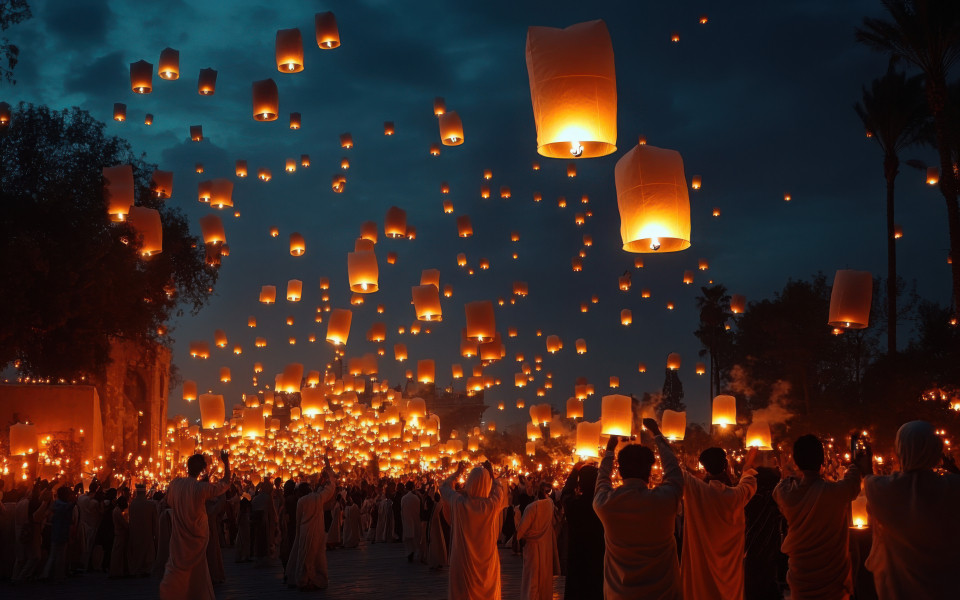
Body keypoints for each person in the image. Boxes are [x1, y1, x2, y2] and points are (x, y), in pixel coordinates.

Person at [864, 420, 960, 598]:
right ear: (935, 449)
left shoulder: (884, 490)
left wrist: (865, 463)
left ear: (900, 449)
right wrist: (953, 468)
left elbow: (868, 479)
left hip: (901, 590)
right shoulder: (952, 488)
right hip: (948, 588)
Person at [593, 419, 684, 600]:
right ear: (649, 472)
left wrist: (610, 450)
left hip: (620, 594)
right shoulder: (664, 500)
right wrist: (657, 433)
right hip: (663, 593)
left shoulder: (605, 504)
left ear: (619, 472)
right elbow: (674, 471)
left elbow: (602, 479)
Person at [774, 434, 866, 600]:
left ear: (795, 461)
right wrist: (856, 459)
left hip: (801, 578)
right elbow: (854, 479)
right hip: (834, 582)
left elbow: (784, 481)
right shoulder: (835, 492)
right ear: (822, 460)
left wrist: (793, 471)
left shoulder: (785, 493)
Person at [681, 446, 759, 599]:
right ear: (726, 465)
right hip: (730, 573)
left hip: (701, 571)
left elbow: (676, 471)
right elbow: (748, 481)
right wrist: (748, 464)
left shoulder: (696, 491)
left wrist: (658, 434)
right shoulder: (736, 495)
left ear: (704, 467)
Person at [159, 450, 231, 600]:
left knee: (177, 572)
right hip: (197, 537)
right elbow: (224, 484)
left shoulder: (175, 484)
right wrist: (226, 462)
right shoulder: (200, 488)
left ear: (187, 466)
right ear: (202, 469)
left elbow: (169, 501)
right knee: (197, 574)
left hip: (179, 538)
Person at [440, 460, 508, 600]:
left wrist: (457, 474)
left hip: (463, 561)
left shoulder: (459, 503)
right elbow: (499, 490)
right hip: (487, 560)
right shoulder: (492, 505)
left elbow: (444, 487)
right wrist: (491, 474)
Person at [285, 454, 337, 590]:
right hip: (317, 531)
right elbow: (329, 489)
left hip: (304, 531)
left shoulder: (301, 501)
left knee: (305, 555)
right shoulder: (317, 498)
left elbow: (297, 520)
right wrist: (328, 470)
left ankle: (304, 579)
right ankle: (315, 579)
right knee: (317, 556)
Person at [560, 462, 604, 600]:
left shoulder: (574, 505)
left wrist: (574, 471)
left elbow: (566, 493)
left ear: (580, 484)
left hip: (577, 558)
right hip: (598, 559)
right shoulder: (604, 507)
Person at [743, 466, 785, 599]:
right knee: (770, 581)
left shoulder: (750, 499)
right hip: (771, 546)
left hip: (753, 547)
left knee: (754, 585)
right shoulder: (777, 499)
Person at [515, 480, 560, 600]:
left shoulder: (532, 507)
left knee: (532, 578)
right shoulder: (550, 504)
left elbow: (521, 529)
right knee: (544, 576)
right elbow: (555, 522)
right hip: (545, 546)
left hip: (532, 547)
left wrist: (519, 538)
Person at [42, 485, 74, 582]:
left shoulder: (55, 504)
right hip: (62, 531)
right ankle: (58, 574)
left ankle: (46, 574)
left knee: (53, 554)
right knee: (61, 555)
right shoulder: (66, 506)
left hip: (55, 530)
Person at [127, 483, 158, 576]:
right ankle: (146, 569)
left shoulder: (132, 504)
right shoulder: (150, 504)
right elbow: (154, 521)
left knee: (137, 551)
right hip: (147, 532)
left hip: (135, 532)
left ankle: (137, 568)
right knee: (147, 552)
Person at [76, 481, 102, 572]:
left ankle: (81, 563)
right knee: (88, 546)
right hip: (90, 525)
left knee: (82, 546)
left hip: (81, 523)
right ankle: (85, 565)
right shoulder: (94, 502)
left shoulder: (81, 498)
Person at [109, 495, 129, 578]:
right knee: (117, 554)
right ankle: (116, 572)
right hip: (119, 534)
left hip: (119, 534)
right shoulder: (117, 512)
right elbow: (123, 524)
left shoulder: (117, 510)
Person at [400, 481, 421, 561]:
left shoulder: (403, 498)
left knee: (408, 538)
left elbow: (402, 510)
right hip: (415, 519)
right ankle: (416, 553)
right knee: (416, 537)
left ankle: (410, 553)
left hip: (407, 520)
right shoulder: (416, 497)